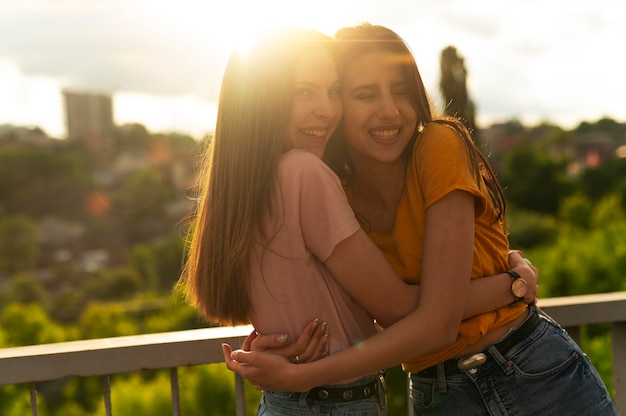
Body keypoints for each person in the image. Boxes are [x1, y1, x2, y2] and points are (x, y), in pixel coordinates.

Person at [222, 23, 618, 415]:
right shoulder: (334, 190)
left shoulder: (438, 144)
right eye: (364, 94)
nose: (390, 111)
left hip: (532, 373)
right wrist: (274, 344)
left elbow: (437, 321)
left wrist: (303, 377)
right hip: (438, 394)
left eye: (401, 92)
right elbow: (376, 308)